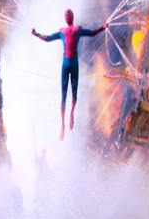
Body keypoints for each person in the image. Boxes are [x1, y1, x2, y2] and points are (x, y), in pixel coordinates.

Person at [32, 9, 106, 139]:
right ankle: (63, 124)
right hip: (69, 63)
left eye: (68, 15)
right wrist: (36, 34)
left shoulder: (74, 30)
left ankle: (70, 114)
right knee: (65, 95)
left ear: (69, 18)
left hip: (70, 63)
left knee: (71, 94)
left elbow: (92, 33)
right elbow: (93, 32)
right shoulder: (67, 31)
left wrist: (103, 28)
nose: (67, 17)